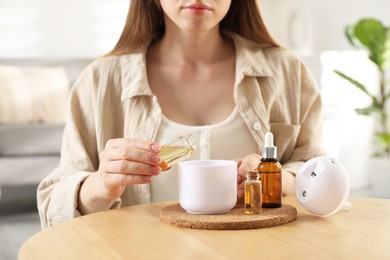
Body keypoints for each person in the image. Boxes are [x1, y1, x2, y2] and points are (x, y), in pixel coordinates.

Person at [38, 0, 325, 228]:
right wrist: (100, 185)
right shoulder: (100, 82)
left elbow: (321, 176)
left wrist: (275, 178)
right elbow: (53, 208)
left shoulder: (288, 73)